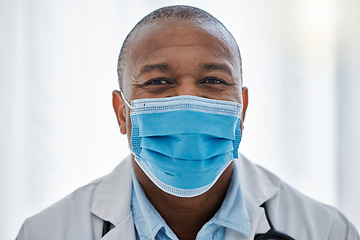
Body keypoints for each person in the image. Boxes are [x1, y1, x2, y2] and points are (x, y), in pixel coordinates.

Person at [17, 5, 359, 240]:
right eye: (157, 82)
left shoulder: (325, 230)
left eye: (212, 81)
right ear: (123, 113)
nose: (188, 100)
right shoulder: (47, 232)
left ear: (243, 110)